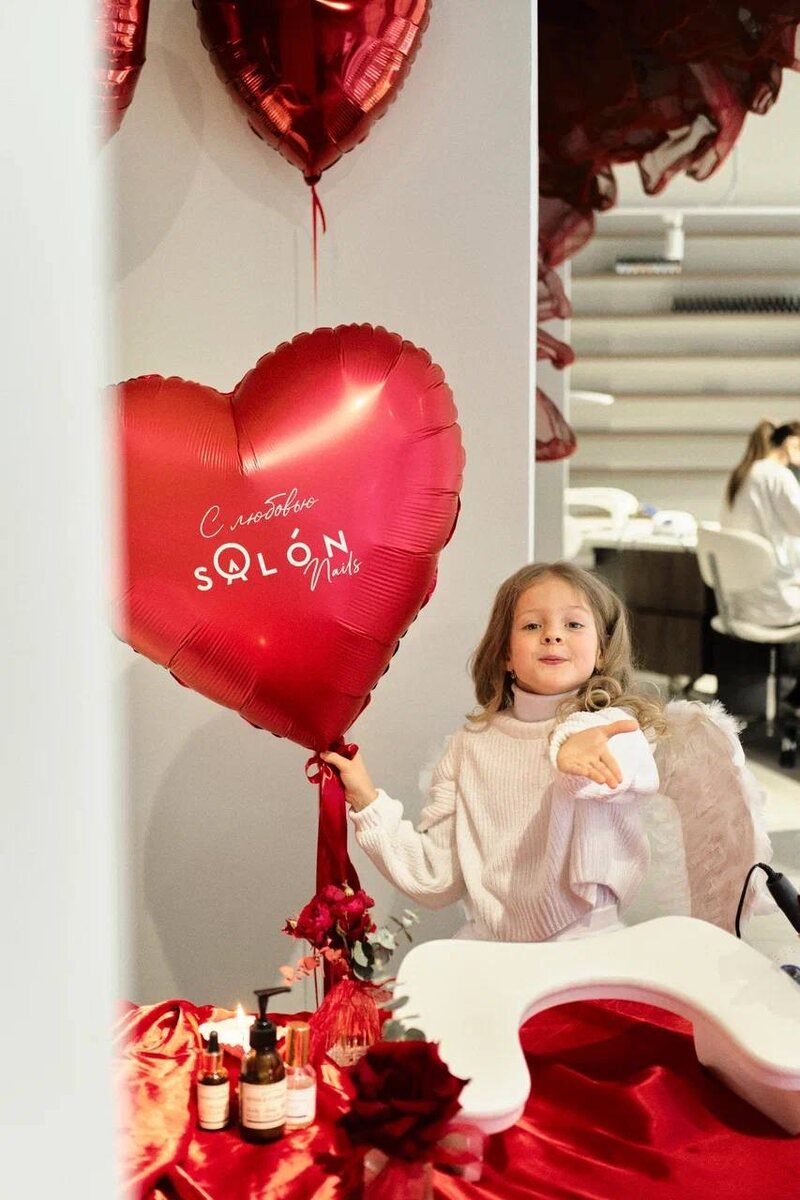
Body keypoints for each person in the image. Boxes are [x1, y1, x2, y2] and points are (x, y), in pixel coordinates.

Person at [321, 562, 666, 943]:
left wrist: (572, 751)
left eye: (573, 624)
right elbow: (436, 877)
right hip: (491, 946)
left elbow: (620, 772)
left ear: (602, 650)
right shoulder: (468, 745)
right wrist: (367, 801)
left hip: (588, 944)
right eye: (532, 626)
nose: (552, 635)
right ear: (505, 654)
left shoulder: (613, 727)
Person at [721, 420, 800, 706]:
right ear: (790, 443)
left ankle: (790, 699)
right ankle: (793, 700)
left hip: (740, 603)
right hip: (773, 603)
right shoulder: (778, 475)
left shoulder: (741, 475)